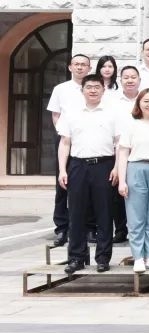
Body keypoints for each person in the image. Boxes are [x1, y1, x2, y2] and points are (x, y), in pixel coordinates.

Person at [57, 74, 119, 274]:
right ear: (82, 90)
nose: (93, 90)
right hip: (78, 165)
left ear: (103, 89)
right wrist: (62, 169)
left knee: (104, 212)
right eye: (89, 87)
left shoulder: (113, 112)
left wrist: (117, 167)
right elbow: (65, 143)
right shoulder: (71, 112)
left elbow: (119, 143)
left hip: (104, 165)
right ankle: (76, 257)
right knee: (76, 212)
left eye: (97, 87)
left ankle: (103, 258)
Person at [116, 88, 149, 273]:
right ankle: (138, 257)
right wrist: (122, 181)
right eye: (146, 101)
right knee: (136, 216)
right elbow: (123, 153)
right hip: (136, 169)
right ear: (139, 103)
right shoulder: (131, 125)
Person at [49, 54, 92, 248]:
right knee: (63, 184)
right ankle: (62, 227)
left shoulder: (94, 87)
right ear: (70, 67)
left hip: (89, 140)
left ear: (89, 68)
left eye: (84, 65)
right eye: (77, 64)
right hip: (66, 139)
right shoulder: (61, 89)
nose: (80, 67)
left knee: (89, 184)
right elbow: (56, 115)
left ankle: (89, 226)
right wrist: (64, 134)